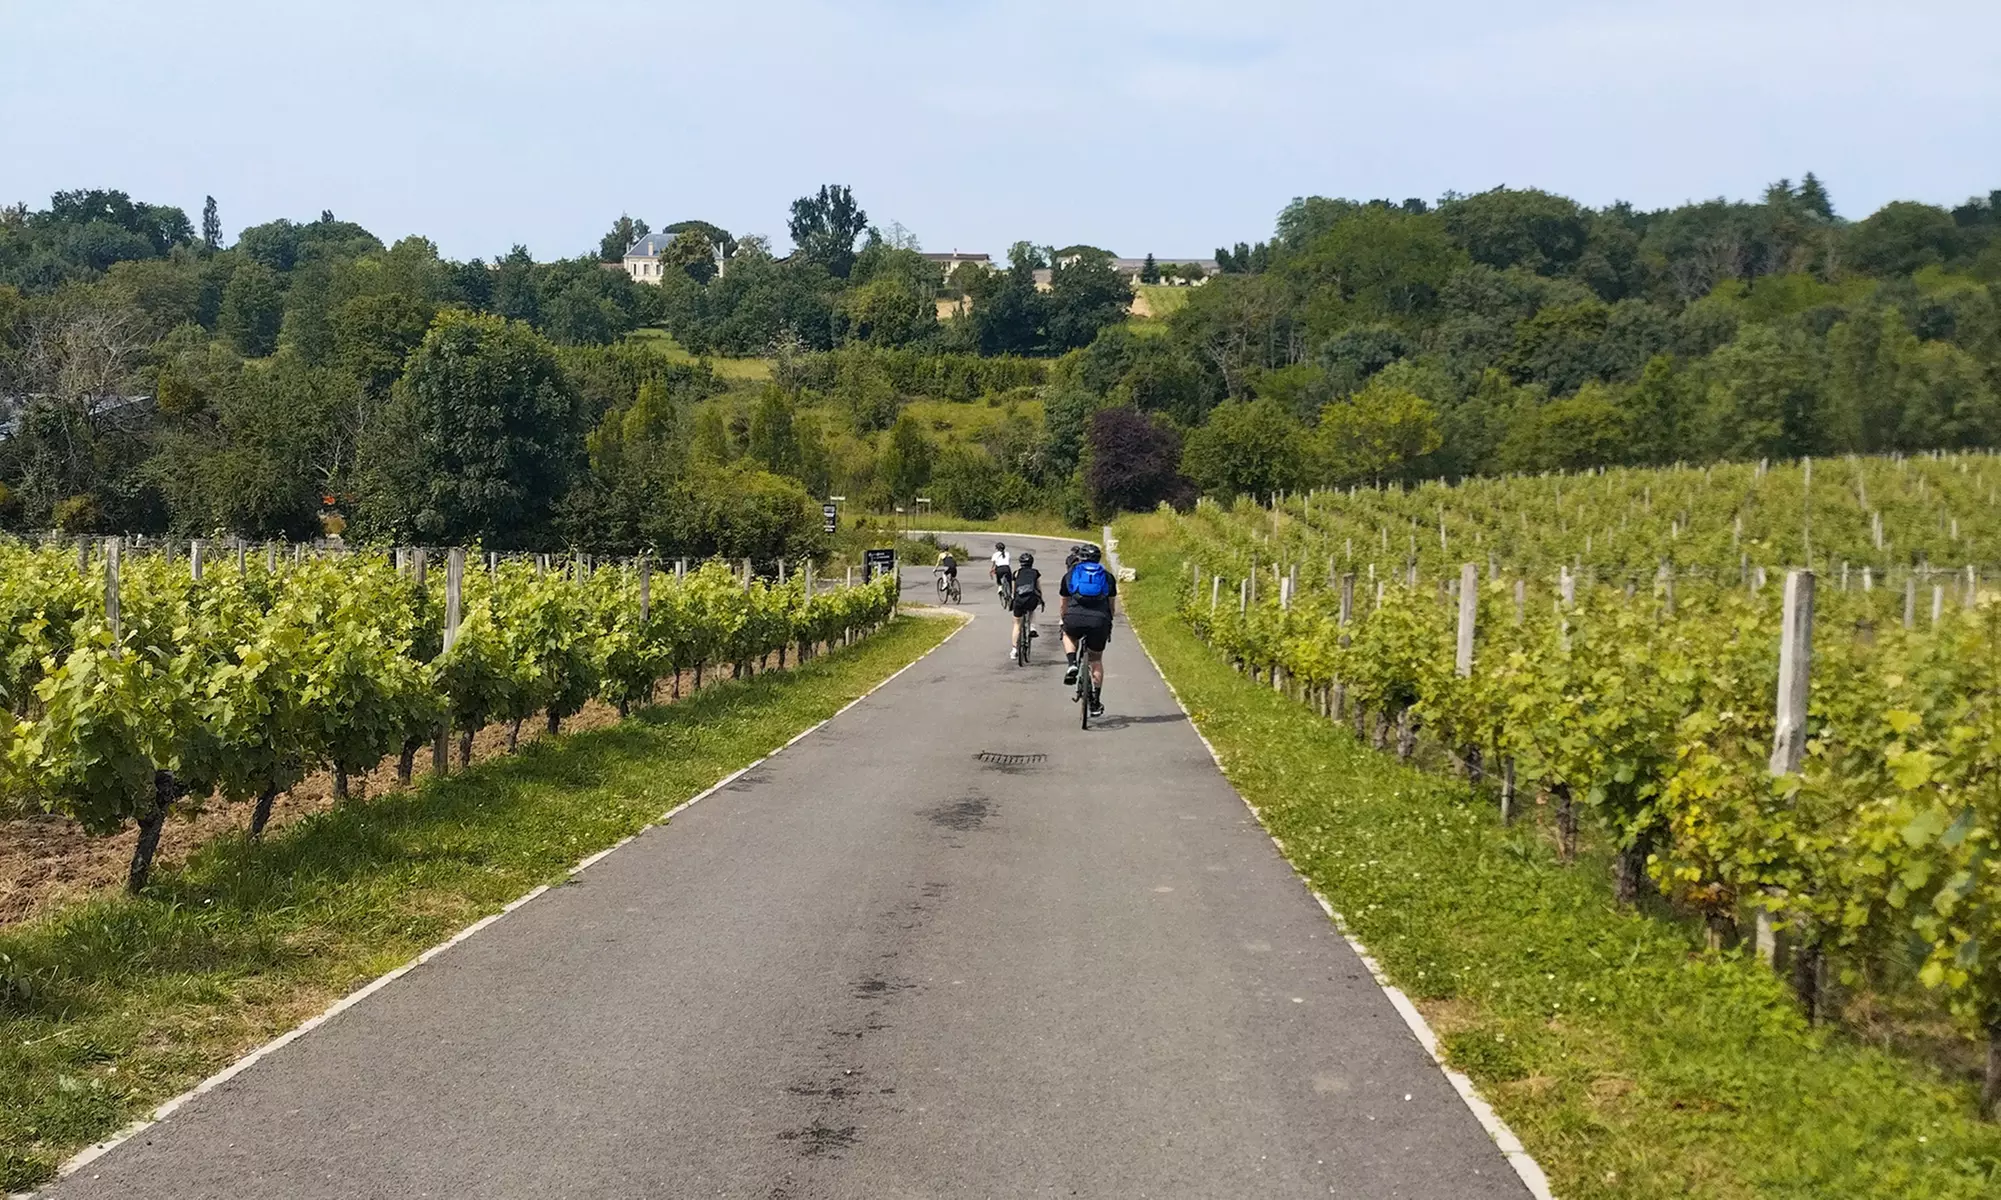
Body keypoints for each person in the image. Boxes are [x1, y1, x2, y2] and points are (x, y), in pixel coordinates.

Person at [1059, 544, 1115, 718]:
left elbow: (1064, 603)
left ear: (1080, 558)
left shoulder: (1070, 574)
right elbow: (1111, 606)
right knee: (1096, 660)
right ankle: (1095, 702)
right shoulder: (1107, 576)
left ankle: (1072, 664)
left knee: (1068, 635)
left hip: (1075, 616)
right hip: (1099, 620)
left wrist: (1064, 619)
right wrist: (1109, 621)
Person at [1008, 550, 1043, 661]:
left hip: (1019, 599)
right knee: (1032, 610)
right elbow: (1038, 588)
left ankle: (1014, 650)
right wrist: (1041, 599)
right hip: (1031, 598)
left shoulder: (1016, 573)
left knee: (1017, 624)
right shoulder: (1035, 573)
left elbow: (1014, 589)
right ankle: (1032, 627)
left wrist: (1013, 600)